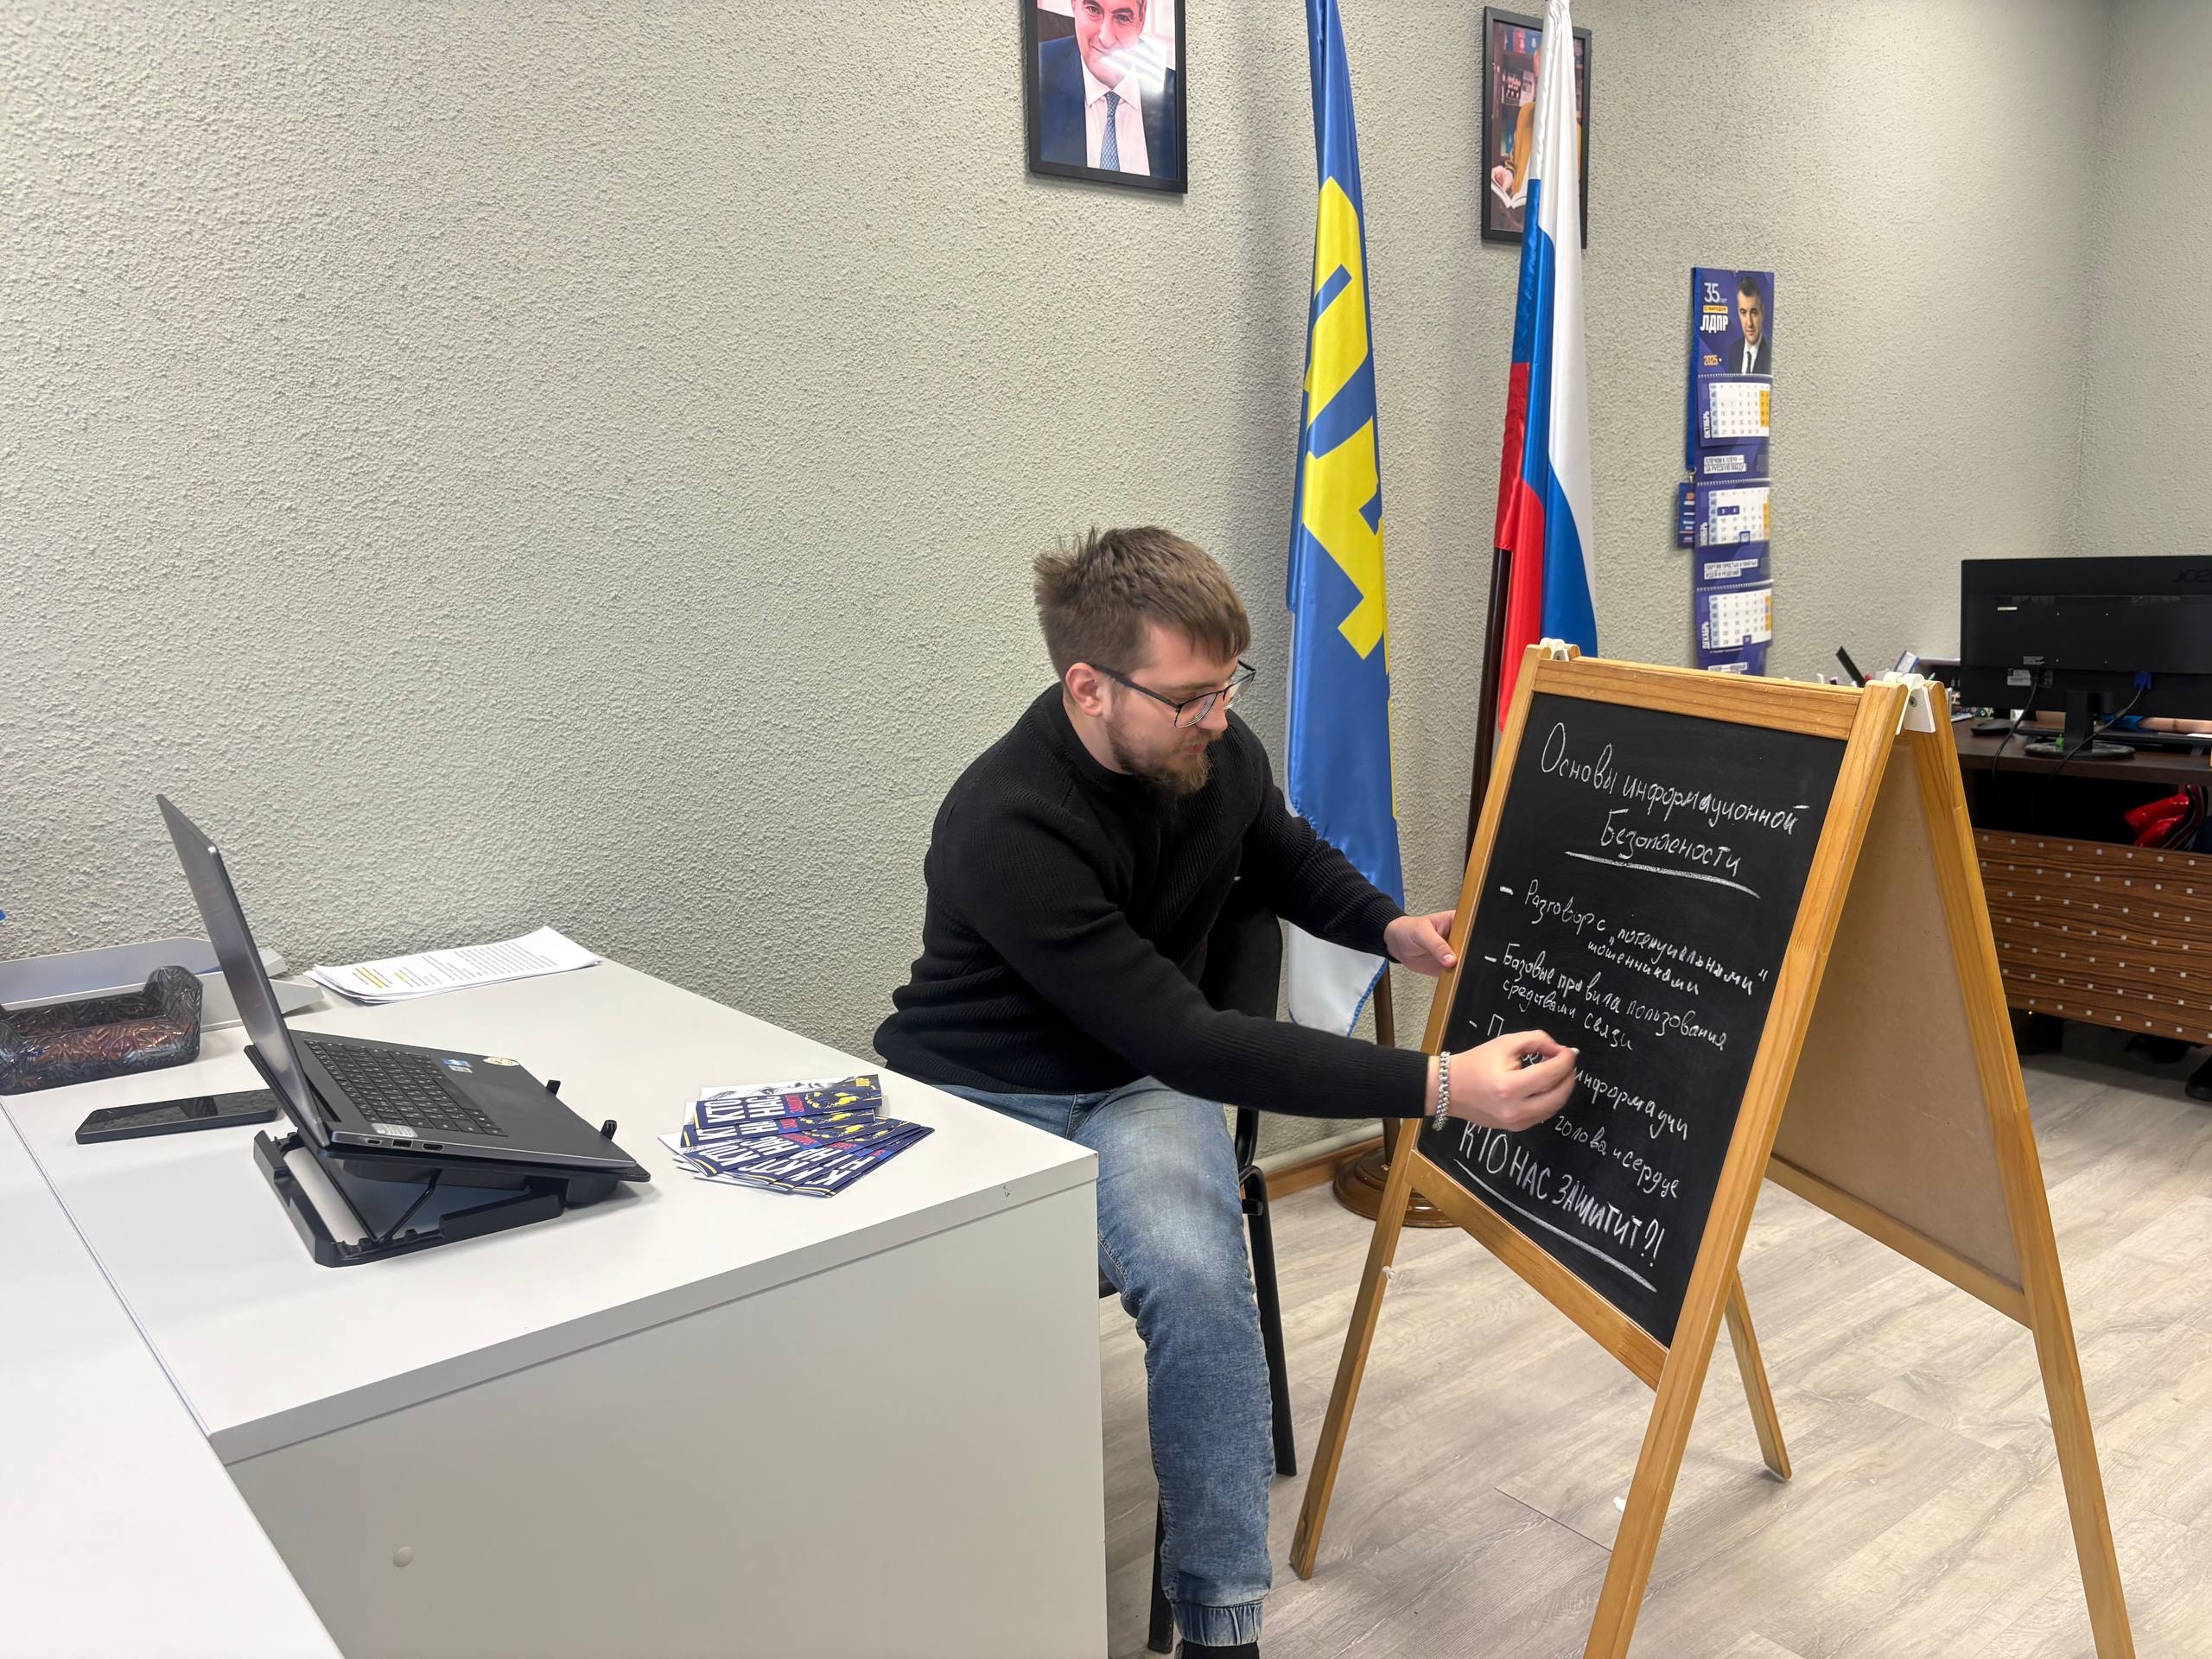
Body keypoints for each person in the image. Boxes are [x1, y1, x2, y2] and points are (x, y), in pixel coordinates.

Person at [874, 527, 1576, 1658]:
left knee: (1201, 1287)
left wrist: (1387, 926)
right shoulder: (1008, 821)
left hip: (1135, 1083)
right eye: (1189, 698)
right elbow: (1189, 1038)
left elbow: (1286, 856)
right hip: (981, 1097)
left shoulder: (1211, 753)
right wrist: (1441, 1085)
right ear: (1089, 687)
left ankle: (1219, 1628)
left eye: (1228, 685)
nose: (1217, 716)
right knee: (901, 1310)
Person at [1036, 0, 1179, 180]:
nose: (1107, 38)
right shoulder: (1037, 71)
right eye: (1093, 10)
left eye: (1122, 18)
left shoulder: (1176, 96)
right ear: (1073, 4)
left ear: (1141, 17)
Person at [1734, 274, 1771, 374]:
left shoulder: (1770, 355)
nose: (1749, 323)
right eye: (1743, 312)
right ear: (1738, 313)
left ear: (1762, 312)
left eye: (1753, 312)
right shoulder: (1733, 351)